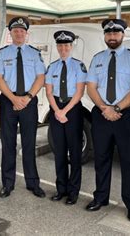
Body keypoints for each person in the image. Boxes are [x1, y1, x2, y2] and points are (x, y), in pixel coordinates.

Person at [85, 19, 130, 222]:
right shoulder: (97, 58)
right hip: (101, 114)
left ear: (123, 35)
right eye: (108, 33)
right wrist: (104, 108)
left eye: (116, 33)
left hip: (127, 116)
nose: (112, 36)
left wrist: (116, 108)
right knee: (101, 159)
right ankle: (101, 198)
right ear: (105, 36)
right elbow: (91, 86)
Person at [0, 16, 46, 198]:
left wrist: (28, 97)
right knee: (8, 144)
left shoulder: (34, 53)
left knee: (29, 143)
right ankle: (8, 183)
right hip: (9, 102)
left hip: (29, 103)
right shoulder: (2, 53)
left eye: (22, 31)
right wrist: (14, 98)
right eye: (16, 30)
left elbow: (40, 78)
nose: (19, 33)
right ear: (11, 33)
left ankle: (33, 183)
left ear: (26, 34)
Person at [45, 30, 87, 205]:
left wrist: (65, 111)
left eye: (66, 45)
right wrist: (57, 111)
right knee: (59, 151)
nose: (63, 48)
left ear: (71, 47)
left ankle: (73, 191)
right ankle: (61, 188)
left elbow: (79, 92)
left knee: (75, 152)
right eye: (60, 45)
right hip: (56, 109)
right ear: (57, 47)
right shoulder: (52, 67)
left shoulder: (79, 66)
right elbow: (48, 92)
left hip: (73, 109)